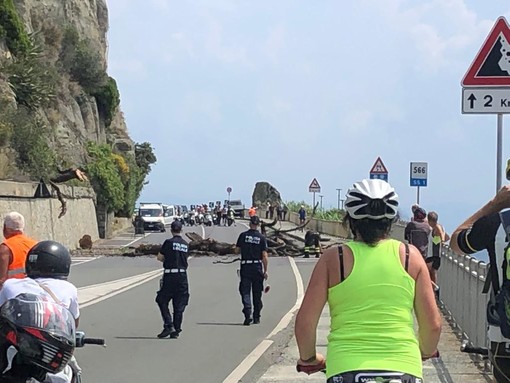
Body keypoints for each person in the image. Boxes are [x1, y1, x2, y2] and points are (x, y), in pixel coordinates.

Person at [295, 179, 441, 381]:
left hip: (345, 369)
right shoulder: (411, 256)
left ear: (350, 220)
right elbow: (433, 325)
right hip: (403, 368)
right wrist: (425, 351)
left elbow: (305, 324)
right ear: (391, 221)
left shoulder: (333, 258)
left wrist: (310, 359)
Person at [0, 240, 80, 383]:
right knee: (72, 369)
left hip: (16, 344)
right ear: (63, 264)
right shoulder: (68, 288)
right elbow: (74, 322)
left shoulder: (10, 285)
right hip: (51, 348)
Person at [156, 220, 190, 339]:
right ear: (181, 230)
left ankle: (168, 324)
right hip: (182, 276)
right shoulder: (186, 244)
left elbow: (160, 258)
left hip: (170, 276)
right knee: (179, 303)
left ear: (171, 230)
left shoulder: (168, 242)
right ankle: (176, 329)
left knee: (161, 300)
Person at [235, 215, 268, 326]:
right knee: (257, 293)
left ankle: (247, 312)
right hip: (257, 267)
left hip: (246, 266)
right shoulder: (261, 238)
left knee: (245, 291)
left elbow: (237, 250)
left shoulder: (243, 236)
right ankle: (256, 316)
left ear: (250, 224)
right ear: (258, 225)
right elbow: (264, 256)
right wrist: (265, 270)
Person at [0, 212, 37, 287]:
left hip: (12, 292)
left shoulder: (5, 248)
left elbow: (1, 280)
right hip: (34, 289)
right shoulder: (35, 245)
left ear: (5, 228)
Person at [426, 211, 449, 285]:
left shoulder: (437, 227)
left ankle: (434, 289)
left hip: (434, 255)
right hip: (433, 255)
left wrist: (441, 241)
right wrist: (438, 240)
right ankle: (433, 288)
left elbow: (442, 235)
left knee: (431, 271)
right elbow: (447, 237)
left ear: (429, 221)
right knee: (430, 272)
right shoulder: (437, 227)